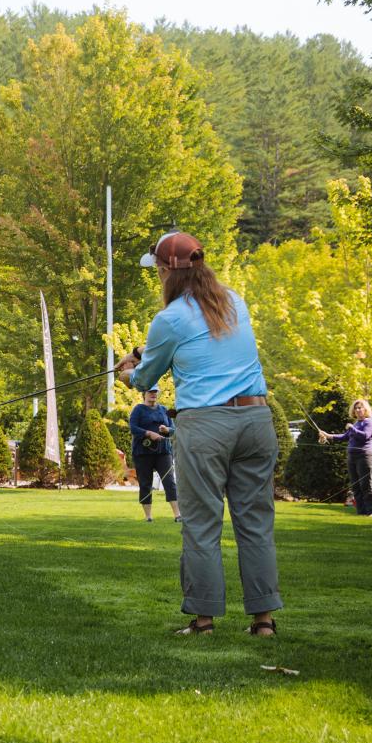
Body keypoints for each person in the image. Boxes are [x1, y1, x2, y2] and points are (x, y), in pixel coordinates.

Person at [117, 231, 280, 637]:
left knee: (202, 524)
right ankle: (264, 622)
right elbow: (202, 342)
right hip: (257, 422)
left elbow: (147, 377)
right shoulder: (234, 301)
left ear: (168, 270)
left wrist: (129, 371)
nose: (155, 274)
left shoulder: (168, 318)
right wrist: (143, 352)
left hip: (207, 426)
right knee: (255, 524)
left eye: (156, 268)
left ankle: (204, 621)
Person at [319, 399, 372, 518]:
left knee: (366, 485)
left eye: (360, 408)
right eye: (356, 408)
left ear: (365, 409)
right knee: (356, 486)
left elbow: (365, 436)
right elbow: (344, 437)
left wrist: (352, 428)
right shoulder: (356, 423)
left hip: (364, 457)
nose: (357, 410)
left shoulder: (369, 422)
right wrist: (327, 435)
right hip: (352, 457)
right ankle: (361, 512)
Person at [129, 389, 180, 522]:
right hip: (142, 452)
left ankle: (177, 515)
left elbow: (173, 430)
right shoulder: (138, 410)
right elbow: (133, 428)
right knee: (145, 483)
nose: (153, 394)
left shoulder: (164, 409)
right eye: (150, 392)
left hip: (163, 451)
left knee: (169, 482)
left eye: (155, 392)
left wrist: (167, 429)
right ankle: (148, 516)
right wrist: (148, 433)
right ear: (144, 394)